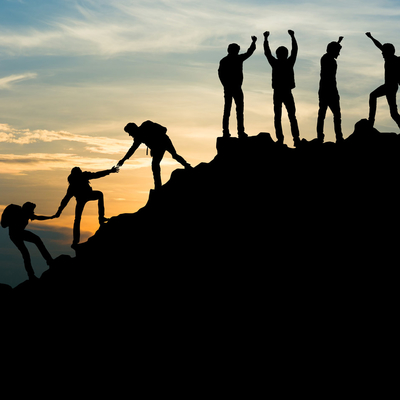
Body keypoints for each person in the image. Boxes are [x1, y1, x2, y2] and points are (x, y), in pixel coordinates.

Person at [55, 166, 119, 248]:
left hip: (87, 195)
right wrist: (59, 212)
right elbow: (65, 200)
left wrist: (110, 171)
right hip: (81, 198)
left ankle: (101, 218)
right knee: (77, 219)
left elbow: (97, 175)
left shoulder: (80, 178)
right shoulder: (73, 184)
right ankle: (76, 241)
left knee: (99, 195)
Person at [117, 121, 192, 190]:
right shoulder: (138, 138)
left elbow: (164, 129)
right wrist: (123, 160)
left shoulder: (146, 125)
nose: (130, 135)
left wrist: (156, 142)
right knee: (156, 164)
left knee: (172, 156)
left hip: (164, 141)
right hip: (158, 147)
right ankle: (158, 186)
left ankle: (187, 166)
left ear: (133, 129)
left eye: (130, 132)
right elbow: (132, 150)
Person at [263, 30, 301, 147]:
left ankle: (283, 139)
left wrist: (265, 39)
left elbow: (267, 53)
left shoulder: (276, 63)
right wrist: (293, 37)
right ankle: (294, 139)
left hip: (280, 92)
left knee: (280, 116)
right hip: (284, 92)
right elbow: (294, 50)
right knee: (290, 116)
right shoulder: (288, 62)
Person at [1, 202, 55, 280]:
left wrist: (51, 217)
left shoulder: (26, 213)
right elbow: (4, 225)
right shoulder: (19, 212)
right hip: (15, 235)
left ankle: (49, 261)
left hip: (20, 233)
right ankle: (32, 274)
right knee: (26, 253)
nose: (33, 212)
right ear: (27, 209)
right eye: (32, 210)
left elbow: (38, 217)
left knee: (36, 241)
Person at [218, 36, 257, 138]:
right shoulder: (226, 60)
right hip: (231, 88)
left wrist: (253, 42)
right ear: (230, 50)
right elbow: (221, 74)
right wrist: (226, 85)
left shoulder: (236, 59)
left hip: (236, 88)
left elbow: (249, 52)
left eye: (237, 50)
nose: (236, 51)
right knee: (229, 110)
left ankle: (239, 132)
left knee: (237, 111)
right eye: (235, 50)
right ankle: (227, 132)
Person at [366, 32, 400, 129]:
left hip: (390, 86)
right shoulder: (390, 58)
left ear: (388, 52)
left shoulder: (394, 60)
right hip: (390, 86)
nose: (382, 53)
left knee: (372, 95)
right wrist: (371, 37)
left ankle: (371, 121)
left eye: (383, 52)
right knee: (393, 113)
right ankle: (371, 121)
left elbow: (380, 47)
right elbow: (379, 45)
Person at [317, 37, 344, 143]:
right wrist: (337, 43)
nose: (339, 54)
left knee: (330, 114)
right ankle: (335, 137)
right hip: (328, 90)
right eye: (338, 51)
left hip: (328, 89)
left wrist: (338, 42)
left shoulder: (327, 58)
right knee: (327, 114)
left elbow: (331, 49)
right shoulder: (327, 59)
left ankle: (334, 137)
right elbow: (331, 50)